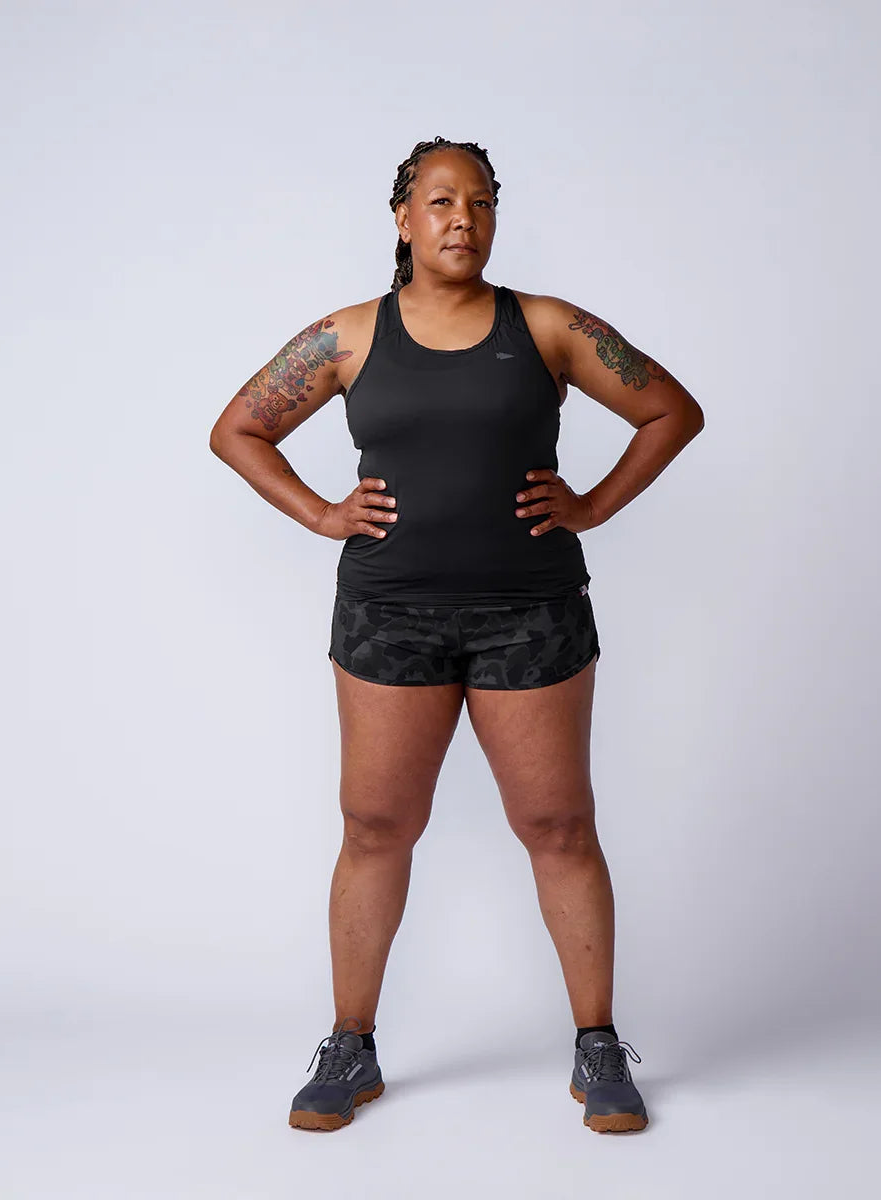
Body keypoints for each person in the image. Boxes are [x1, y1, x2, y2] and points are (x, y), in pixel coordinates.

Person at [209, 136, 704, 1134]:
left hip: (533, 613)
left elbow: (669, 412)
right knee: (376, 828)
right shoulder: (348, 337)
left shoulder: (552, 327)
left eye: (478, 202)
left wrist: (594, 505)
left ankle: (598, 1048)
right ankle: (351, 1047)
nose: (460, 220)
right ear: (402, 216)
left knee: (559, 827)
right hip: (389, 615)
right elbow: (237, 429)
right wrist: (318, 515)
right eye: (439, 201)